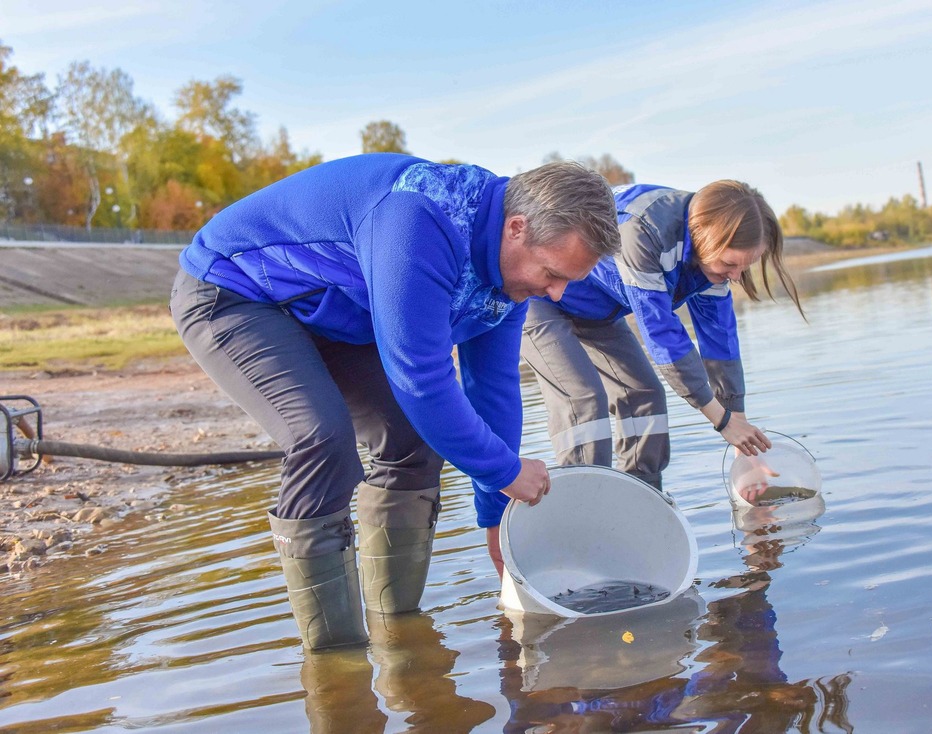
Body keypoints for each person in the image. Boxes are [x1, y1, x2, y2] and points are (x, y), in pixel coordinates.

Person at [170, 153, 620, 651]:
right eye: (552, 273)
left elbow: (492, 390)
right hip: (235, 293)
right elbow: (422, 378)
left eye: (566, 283)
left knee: (410, 440)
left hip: (335, 313)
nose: (554, 295)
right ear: (516, 228)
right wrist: (505, 471)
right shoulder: (420, 218)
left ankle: (400, 634)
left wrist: (497, 514)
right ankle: (336, 659)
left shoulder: (510, 280)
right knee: (321, 438)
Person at [520, 180, 804, 491]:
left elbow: (720, 340)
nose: (735, 276)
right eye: (729, 264)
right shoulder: (643, 230)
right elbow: (662, 335)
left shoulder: (711, 263)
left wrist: (741, 438)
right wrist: (722, 422)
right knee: (584, 399)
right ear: (705, 236)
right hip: (539, 295)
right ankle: (584, 500)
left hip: (599, 310)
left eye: (744, 267)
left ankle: (642, 496)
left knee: (645, 395)